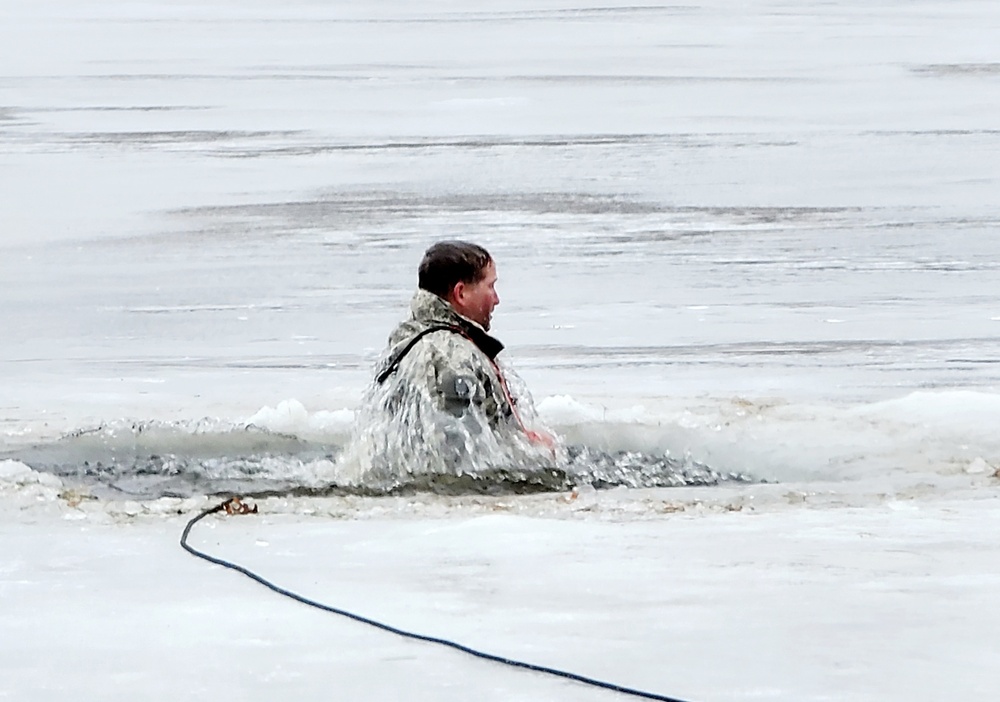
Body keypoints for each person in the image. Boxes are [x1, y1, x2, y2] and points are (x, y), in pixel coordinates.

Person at [352, 241, 558, 490]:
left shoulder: (406, 338)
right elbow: (459, 452)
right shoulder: (452, 355)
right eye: (490, 286)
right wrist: (529, 455)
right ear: (461, 293)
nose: (497, 299)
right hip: (448, 494)